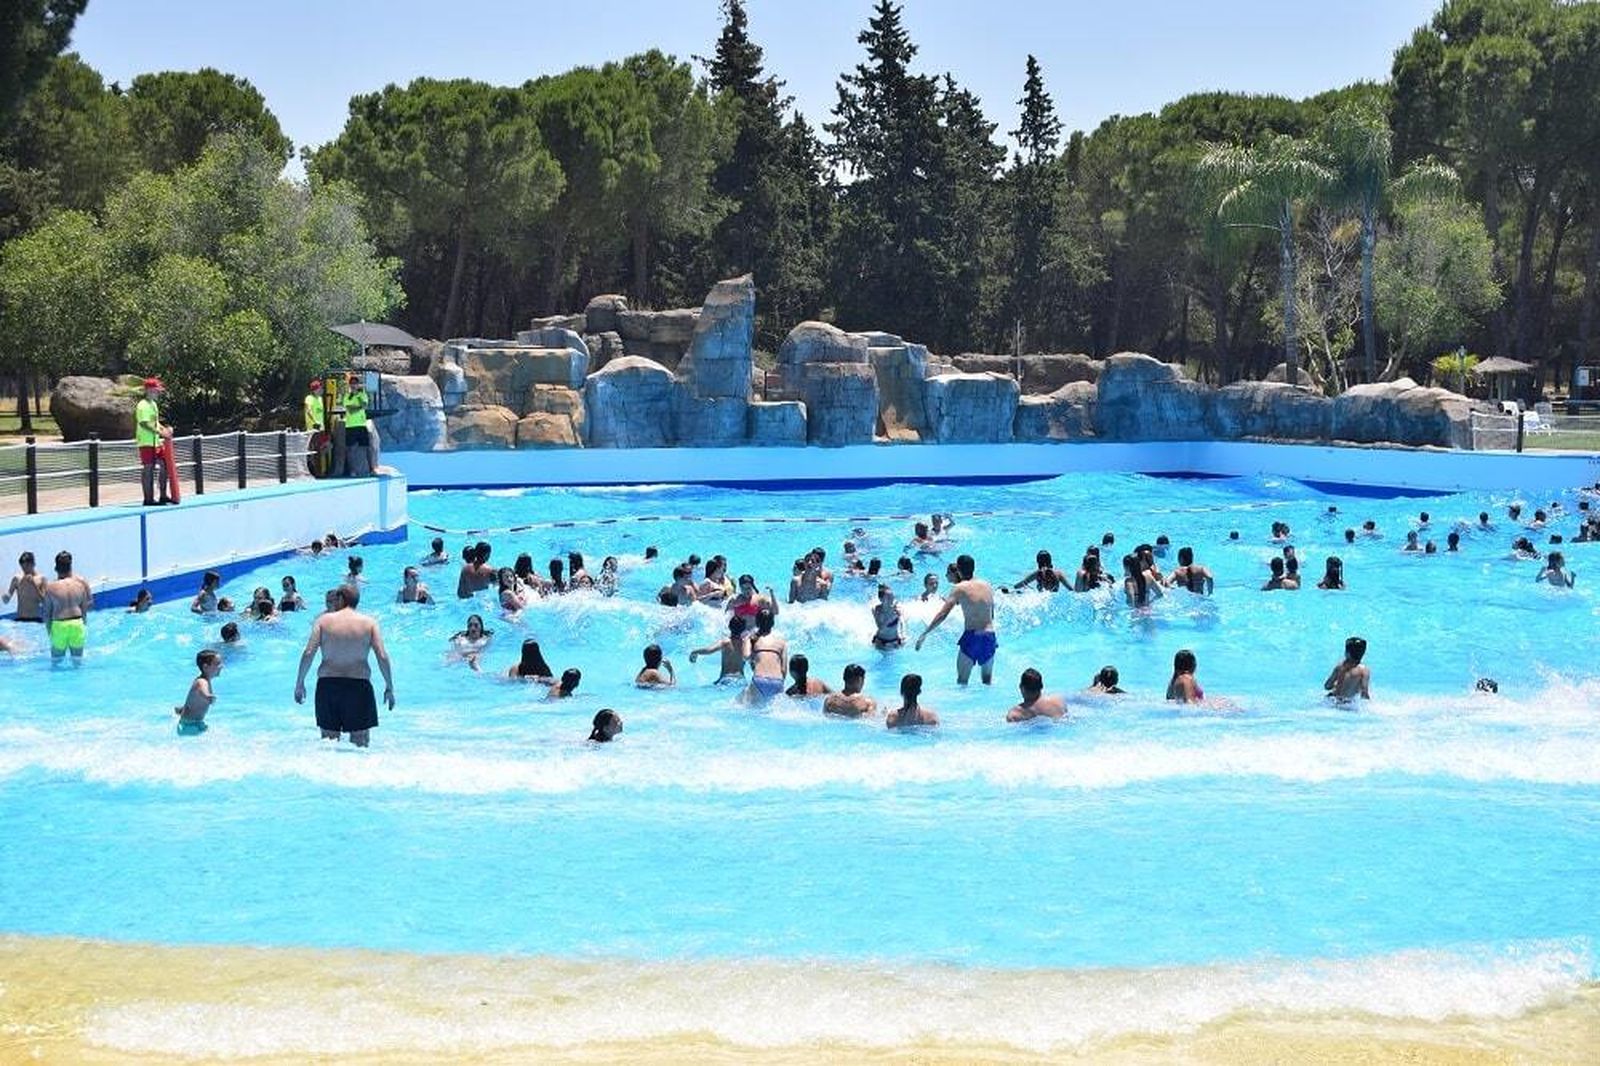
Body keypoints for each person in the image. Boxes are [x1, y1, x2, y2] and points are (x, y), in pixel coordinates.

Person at [293, 583, 394, 747]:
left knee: (329, 743)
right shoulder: (369, 623)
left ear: (340, 599)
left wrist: (300, 683)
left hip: (328, 686)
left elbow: (309, 652)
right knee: (360, 744)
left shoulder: (323, 621)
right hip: (358, 687)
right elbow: (382, 655)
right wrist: (389, 686)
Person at [916, 554, 997, 685]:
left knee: (962, 682)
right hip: (989, 636)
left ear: (958, 570)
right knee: (987, 682)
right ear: (974, 568)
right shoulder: (987, 585)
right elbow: (991, 614)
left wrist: (925, 633)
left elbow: (943, 614)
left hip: (972, 636)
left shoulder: (959, 588)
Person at [41, 551, 92, 663]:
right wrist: (83, 627)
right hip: (77, 624)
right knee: (77, 662)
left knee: (56, 662)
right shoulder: (80, 585)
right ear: (70, 567)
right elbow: (84, 611)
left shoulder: (51, 587)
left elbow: (46, 614)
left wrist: (50, 632)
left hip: (59, 625)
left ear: (56, 568)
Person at [135, 376, 175, 506]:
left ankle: (163, 495)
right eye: (156, 390)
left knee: (165, 464)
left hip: (156, 442)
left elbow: (155, 422)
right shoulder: (142, 405)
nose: (158, 392)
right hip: (146, 442)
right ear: (149, 390)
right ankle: (148, 499)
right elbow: (144, 423)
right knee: (148, 469)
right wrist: (160, 432)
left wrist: (165, 429)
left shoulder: (153, 404)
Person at [174, 649, 223, 735]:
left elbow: (194, 701)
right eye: (217, 664)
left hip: (195, 723)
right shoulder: (202, 682)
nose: (221, 666)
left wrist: (182, 709)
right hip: (188, 726)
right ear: (205, 667)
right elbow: (201, 691)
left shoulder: (204, 680)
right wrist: (207, 696)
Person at [744, 608, 788, 703]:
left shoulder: (751, 639)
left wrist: (748, 642)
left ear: (757, 623)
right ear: (773, 623)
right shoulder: (782, 642)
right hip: (777, 681)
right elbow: (784, 670)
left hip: (759, 679)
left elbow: (746, 656)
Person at [689, 616, 750, 683]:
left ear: (729, 627)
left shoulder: (725, 642)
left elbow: (709, 650)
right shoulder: (745, 643)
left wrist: (695, 651)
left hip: (726, 678)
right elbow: (748, 656)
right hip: (740, 679)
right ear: (744, 629)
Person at [1323, 636, 1372, 701]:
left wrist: (1336, 685)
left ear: (1348, 653)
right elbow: (1364, 692)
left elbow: (1327, 686)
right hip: (1347, 702)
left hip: (1332, 699)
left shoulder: (1340, 666)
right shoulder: (1364, 670)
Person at [342, 373, 371, 476]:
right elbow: (350, 409)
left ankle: (369, 469)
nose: (353, 385)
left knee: (365, 447)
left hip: (361, 425)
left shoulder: (362, 395)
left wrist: (358, 399)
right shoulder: (347, 396)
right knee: (350, 449)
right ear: (349, 385)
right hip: (350, 425)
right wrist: (358, 407)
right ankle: (353, 470)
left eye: (355, 383)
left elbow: (364, 405)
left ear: (358, 385)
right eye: (352, 383)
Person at [4, 552, 46, 622]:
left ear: (33, 564)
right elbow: (7, 600)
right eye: (22, 567)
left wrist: (34, 585)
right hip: (20, 619)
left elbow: (44, 602)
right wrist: (5, 596)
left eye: (26, 567)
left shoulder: (41, 579)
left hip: (35, 619)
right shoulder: (17, 579)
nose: (25, 570)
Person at [871, 585, 904, 649]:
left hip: (895, 641)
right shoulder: (878, 610)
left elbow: (902, 622)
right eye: (888, 598)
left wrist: (903, 634)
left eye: (892, 597)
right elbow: (881, 628)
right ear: (881, 599)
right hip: (881, 642)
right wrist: (891, 617)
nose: (891, 599)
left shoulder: (897, 608)